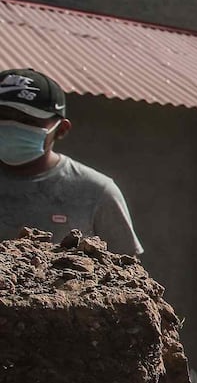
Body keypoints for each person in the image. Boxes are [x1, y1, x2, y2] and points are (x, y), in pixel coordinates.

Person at [0, 67, 142, 257]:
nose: (10, 125)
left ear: (62, 129)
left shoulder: (96, 193)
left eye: (27, 120)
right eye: (2, 116)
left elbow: (127, 275)